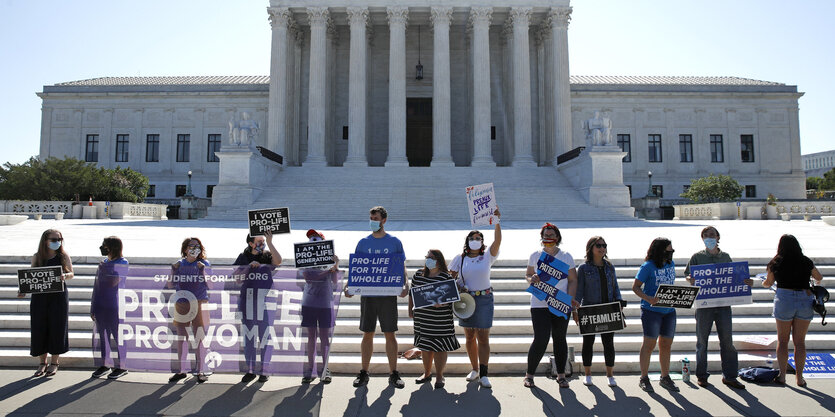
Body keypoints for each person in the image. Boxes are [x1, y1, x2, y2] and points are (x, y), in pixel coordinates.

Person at [345, 206, 409, 388]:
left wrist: (406, 284)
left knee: (390, 333)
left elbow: (401, 266)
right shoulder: (363, 242)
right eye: (371, 217)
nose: (372, 220)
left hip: (388, 295)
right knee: (368, 333)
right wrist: (349, 286)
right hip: (368, 295)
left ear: (384, 220)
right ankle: (364, 372)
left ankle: (393, 373)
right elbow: (356, 268)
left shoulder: (395, 242)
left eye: (376, 218)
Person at [684, 226, 752, 389]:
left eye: (712, 235)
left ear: (718, 237)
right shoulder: (697, 257)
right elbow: (688, 274)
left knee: (727, 342)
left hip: (723, 305)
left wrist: (746, 282)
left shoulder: (725, 256)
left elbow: (733, 277)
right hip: (704, 305)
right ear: (702, 238)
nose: (709, 237)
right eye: (706, 235)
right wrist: (690, 280)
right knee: (702, 342)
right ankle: (702, 375)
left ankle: (730, 376)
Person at [449, 208, 501, 388]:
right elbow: (450, 277)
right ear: (467, 241)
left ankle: (484, 373)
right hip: (466, 300)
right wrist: (457, 285)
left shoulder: (487, 256)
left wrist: (496, 221)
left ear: (482, 242)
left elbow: (498, 241)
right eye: (472, 238)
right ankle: (474, 368)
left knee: (483, 337)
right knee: (470, 336)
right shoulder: (460, 258)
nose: (475, 240)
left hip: (484, 299)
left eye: (478, 238)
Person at [762, 234, 824, 387]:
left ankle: (782, 376)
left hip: (784, 298)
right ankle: (800, 378)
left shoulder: (776, 262)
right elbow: (819, 277)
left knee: (783, 341)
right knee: (800, 342)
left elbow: (768, 283)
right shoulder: (805, 261)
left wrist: (763, 281)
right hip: (804, 298)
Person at [523, 223, 577, 389]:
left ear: (558, 237)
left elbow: (573, 280)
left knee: (560, 338)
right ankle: (529, 375)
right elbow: (528, 275)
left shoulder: (566, 256)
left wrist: (570, 301)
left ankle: (561, 376)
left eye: (551, 235)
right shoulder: (535, 255)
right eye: (545, 236)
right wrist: (531, 279)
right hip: (539, 304)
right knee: (541, 339)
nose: (548, 238)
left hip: (560, 303)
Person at [19, 229, 74, 377]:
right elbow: (31, 276)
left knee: (57, 327)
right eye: (54, 239)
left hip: (58, 296)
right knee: (39, 327)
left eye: (60, 239)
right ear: (45, 240)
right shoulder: (37, 256)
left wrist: (64, 276)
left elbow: (72, 273)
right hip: (40, 297)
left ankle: (55, 362)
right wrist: (23, 290)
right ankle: (42, 363)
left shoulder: (63, 255)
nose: (58, 242)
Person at [233, 231, 281, 383]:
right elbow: (236, 277)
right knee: (249, 336)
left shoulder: (266, 255)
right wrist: (248, 267)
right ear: (251, 243)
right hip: (247, 301)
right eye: (259, 241)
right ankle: (251, 369)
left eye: (263, 241)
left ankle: (264, 369)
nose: (262, 243)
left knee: (265, 335)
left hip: (265, 301)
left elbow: (278, 261)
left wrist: (271, 242)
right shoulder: (243, 256)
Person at [409, 249, 460, 389]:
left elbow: (452, 298)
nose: (428, 260)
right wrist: (410, 310)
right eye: (427, 257)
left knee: (440, 348)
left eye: (432, 257)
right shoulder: (418, 275)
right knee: (425, 347)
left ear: (439, 260)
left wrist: (442, 303)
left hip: (441, 319)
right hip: (423, 317)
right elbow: (411, 293)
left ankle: (439, 376)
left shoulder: (446, 277)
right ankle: (426, 373)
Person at [633, 237, 679, 392]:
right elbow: (636, 287)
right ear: (660, 251)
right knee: (649, 344)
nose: (671, 253)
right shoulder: (648, 266)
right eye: (668, 250)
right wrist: (648, 298)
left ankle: (665, 376)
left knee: (666, 344)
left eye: (672, 251)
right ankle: (644, 377)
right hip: (651, 311)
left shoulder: (671, 264)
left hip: (669, 310)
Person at [575, 236, 621, 387]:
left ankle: (610, 374)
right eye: (598, 245)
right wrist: (576, 309)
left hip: (608, 307)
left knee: (609, 343)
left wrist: (619, 303)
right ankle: (588, 374)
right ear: (591, 248)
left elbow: (615, 286)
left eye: (604, 245)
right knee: (588, 342)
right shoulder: (583, 268)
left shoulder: (609, 266)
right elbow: (579, 289)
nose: (602, 248)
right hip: (590, 308)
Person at [168, 237, 212, 383]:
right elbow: (170, 285)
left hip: (200, 302)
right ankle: (181, 370)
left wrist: (203, 270)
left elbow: (210, 285)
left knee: (200, 337)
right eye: (191, 246)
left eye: (197, 246)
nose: (194, 248)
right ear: (185, 249)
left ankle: (200, 370)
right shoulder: (180, 264)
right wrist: (173, 270)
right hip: (182, 302)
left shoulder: (204, 263)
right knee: (182, 338)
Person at [298, 229, 339, 385]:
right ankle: (310, 368)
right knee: (311, 336)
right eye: (311, 238)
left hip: (324, 302)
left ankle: (325, 368)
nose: (313, 240)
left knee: (324, 337)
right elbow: (308, 278)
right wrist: (328, 270)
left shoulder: (329, 259)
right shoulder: (305, 259)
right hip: (309, 302)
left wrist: (336, 265)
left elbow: (335, 281)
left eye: (316, 238)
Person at [90, 236, 129, 379]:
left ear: (113, 247)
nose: (102, 247)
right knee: (103, 336)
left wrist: (106, 269)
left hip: (115, 304)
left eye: (105, 245)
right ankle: (105, 363)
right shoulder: (105, 262)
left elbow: (115, 281)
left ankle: (121, 365)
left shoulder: (122, 262)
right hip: (101, 303)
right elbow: (98, 286)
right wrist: (93, 306)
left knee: (118, 336)